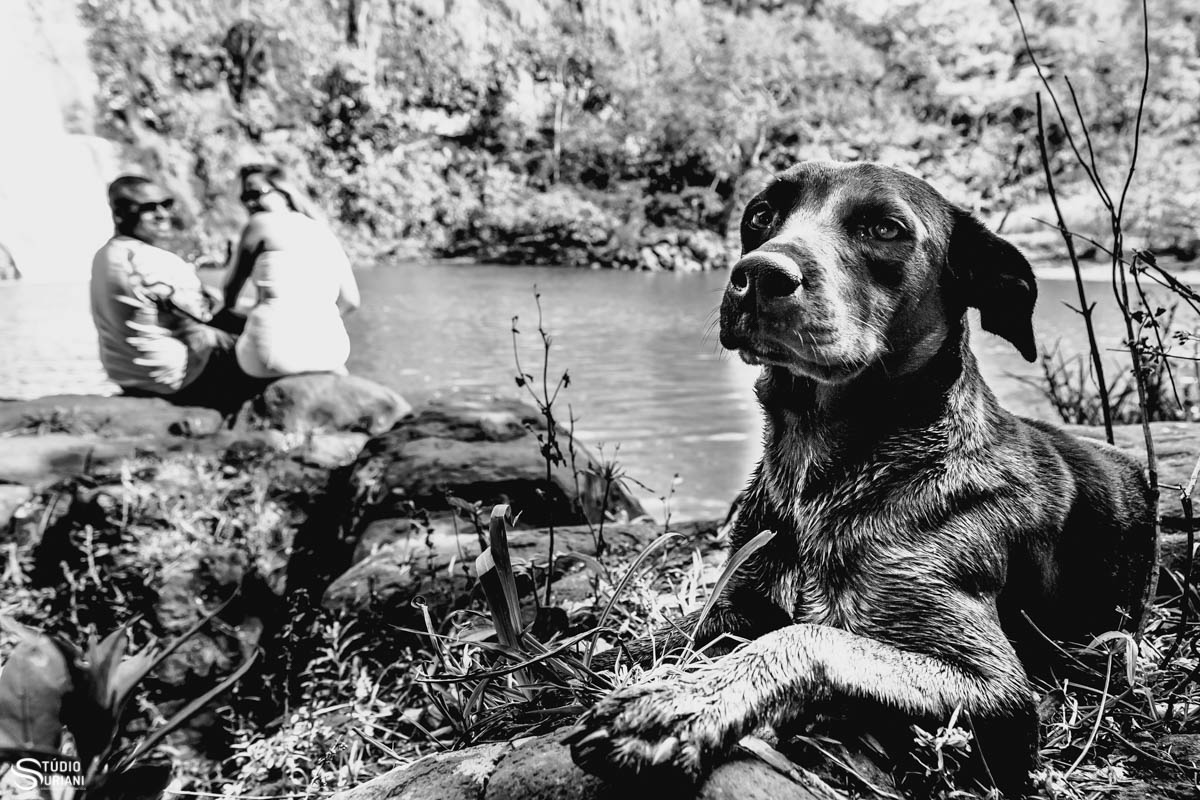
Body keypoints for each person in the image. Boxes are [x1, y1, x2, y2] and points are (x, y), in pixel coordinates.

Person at [90, 175, 257, 414]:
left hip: (126, 377)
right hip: (173, 380)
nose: (163, 214)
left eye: (166, 204)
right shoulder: (154, 261)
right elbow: (217, 316)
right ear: (120, 214)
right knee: (263, 340)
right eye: (148, 208)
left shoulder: (104, 254)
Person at [223, 164, 360, 379]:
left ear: (283, 191)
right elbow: (351, 301)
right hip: (332, 352)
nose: (249, 203)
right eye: (244, 197)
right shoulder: (322, 230)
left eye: (255, 194)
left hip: (273, 355)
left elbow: (228, 295)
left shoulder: (259, 223)